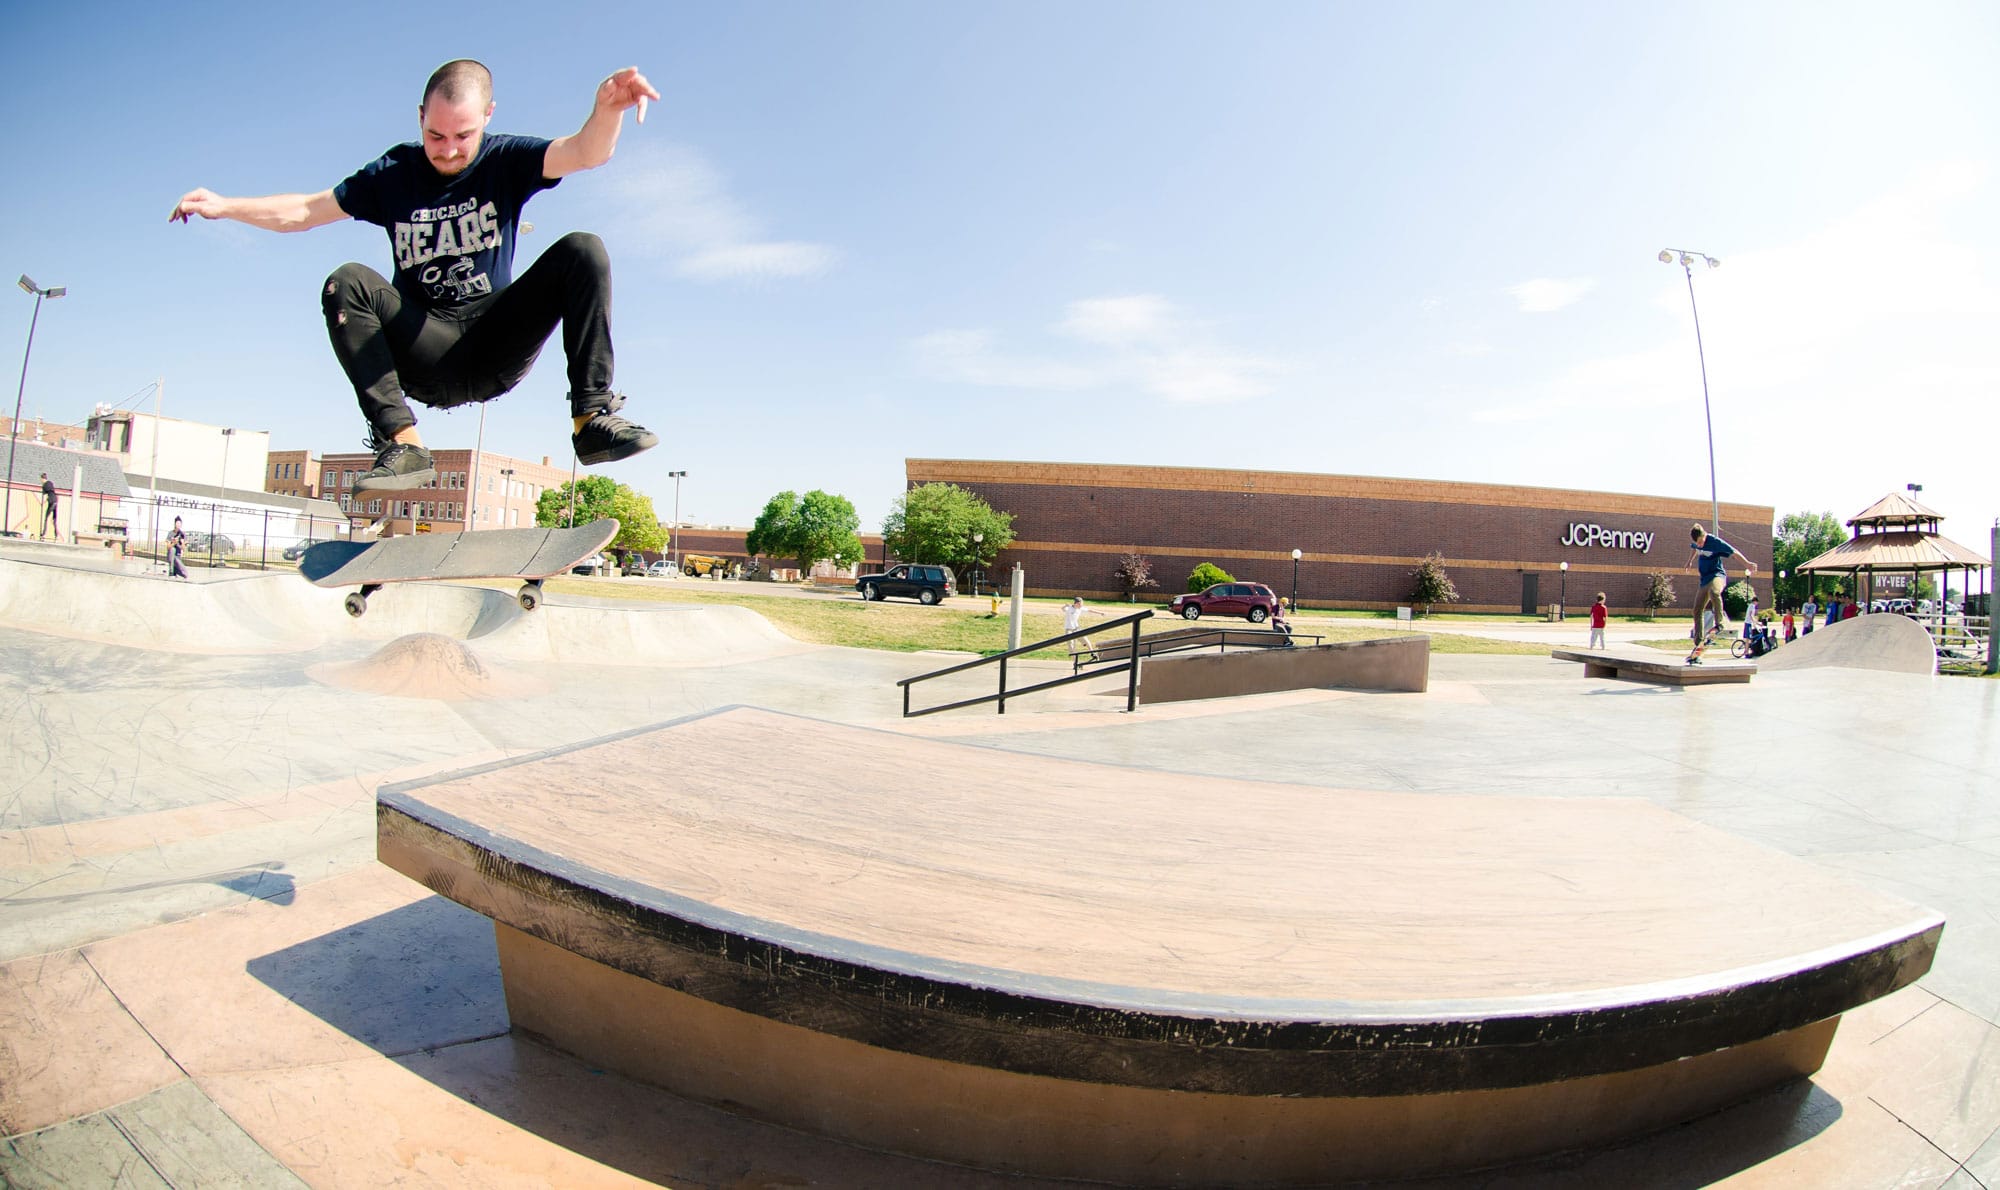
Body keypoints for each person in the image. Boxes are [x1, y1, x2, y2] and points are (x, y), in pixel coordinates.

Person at [171, 60, 663, 493]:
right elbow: (304, 210)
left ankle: (590, 420)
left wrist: (608, 111)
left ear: (488, 117)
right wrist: (225, 206)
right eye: (436, 136)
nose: (448, 151)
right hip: (425, 349)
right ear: (420, 119)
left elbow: (584, 152)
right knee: (346, 281)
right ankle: (402, 444)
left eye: (463, 137)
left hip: (495, 343)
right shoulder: (392, 174)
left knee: (583, 250)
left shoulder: (505, 159)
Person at [1687, 523, 1754, 660]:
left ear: (1704, 535)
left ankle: (1720, 623)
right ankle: (1698, 642)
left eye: (1701, 542)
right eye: (1697, 543)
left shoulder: (1714, 542)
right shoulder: (1696, 543)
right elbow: (1694, 549)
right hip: (1704, 580)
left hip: (1717, 576)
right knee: (1697, 609)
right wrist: (1690, 562)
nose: (1699, 545)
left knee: (1714, 592)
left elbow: (1734, 552)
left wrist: (1747, 564)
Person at [1063, 596, 1102, 660]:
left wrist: (1100, 613)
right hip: (1069, 630)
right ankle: (1075, 662)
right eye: (1080, 604)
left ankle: (1092, 653)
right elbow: (1062, 609)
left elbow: (1090, 610)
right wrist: (1065, 606)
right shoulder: (1069, 608)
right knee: (1071, 646)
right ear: (1076, 603)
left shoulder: (1080, 608)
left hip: (1077, 628)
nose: (1081, 605)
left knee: (1086, 640)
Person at [38, 473, 57, 540]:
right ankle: (56, 535)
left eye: (41, 479)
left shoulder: (44, 485)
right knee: (54, 518)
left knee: (46, 518)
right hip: (55, 500)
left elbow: (44, 493)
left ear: (42, 479)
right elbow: (51, 491)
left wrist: (43, 487)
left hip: (51, 502)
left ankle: (44, 534)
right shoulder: (50, 483)